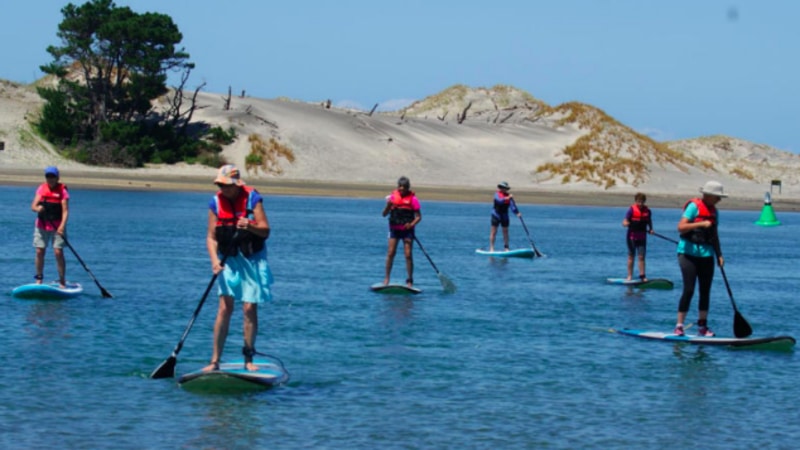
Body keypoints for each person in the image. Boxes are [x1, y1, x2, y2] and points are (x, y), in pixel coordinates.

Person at [203, 164, 274, 372]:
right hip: (228, 259)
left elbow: (265, 231)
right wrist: (214, 261)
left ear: (236, 185)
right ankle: (215, 361)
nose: (223, 189)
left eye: (226, 185)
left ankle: (248, 358)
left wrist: (250, 225)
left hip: (252, 258)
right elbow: (211, 237)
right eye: (220, 185)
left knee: (249, 308)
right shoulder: (215, 202)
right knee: (225, 308)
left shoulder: (252, 199)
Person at [673, 181, 727, 337]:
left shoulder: (715, 212)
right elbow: (681, 227)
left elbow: (714, 235)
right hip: (687, 253)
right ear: (708, 195)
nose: (719, 200)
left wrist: (719, 255)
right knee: (689, 290)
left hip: (706, 254)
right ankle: (679, 326)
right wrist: (702, 223)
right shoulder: (693, 207)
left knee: (705, 291)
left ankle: (702, 326)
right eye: (717, 197)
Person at [30, 166, 70, 287]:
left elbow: (65, 211)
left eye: (53, 176)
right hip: (42, 225)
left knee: (58, 252)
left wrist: (62, 227)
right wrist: (38, 208)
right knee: (39, 251)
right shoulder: (42, 189)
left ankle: (62, 280)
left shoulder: (62, 191)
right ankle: (39, 278)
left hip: (57, 226)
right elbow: (33, 206)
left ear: (57, 177)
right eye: (48, 176)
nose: (50, 179)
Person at [382, 176, 421, 288]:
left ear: (408, 188)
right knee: (391, 253)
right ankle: (387, 278)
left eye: (404, 187)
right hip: (394, 229)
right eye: (400, 187)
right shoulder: (393, 198)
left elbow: (419, 217)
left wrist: (411, 224)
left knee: (408, 254)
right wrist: (388, 206)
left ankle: (409, 279)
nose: (402, 189)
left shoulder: (413, 200)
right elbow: (384, 214)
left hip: (407, 231)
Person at [622, 192, 654, 281]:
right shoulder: (631, 210)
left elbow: (649, 221)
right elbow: (624, 221)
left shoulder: (648, 211)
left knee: (641, 257)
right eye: (638, 202)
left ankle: (643, 276)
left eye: (642, 202)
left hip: (642, 237)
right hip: (631, 237)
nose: (640, 204)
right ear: (636, 201)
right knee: (631, 256)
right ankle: (629, 276)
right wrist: (625, 223)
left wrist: (651, 229)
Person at [489, 181, 521, 252]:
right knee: (494, 232)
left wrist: (517, 213)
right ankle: (491, 248)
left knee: (505, 231)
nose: (503, 189)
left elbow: (512, 206)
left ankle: (506, 247)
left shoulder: (509, 196)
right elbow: (499, 201)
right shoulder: (496, 194)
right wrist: (507, 198)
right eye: (502, 187)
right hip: (496, 215)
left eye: (505, 188)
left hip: (504, 215)